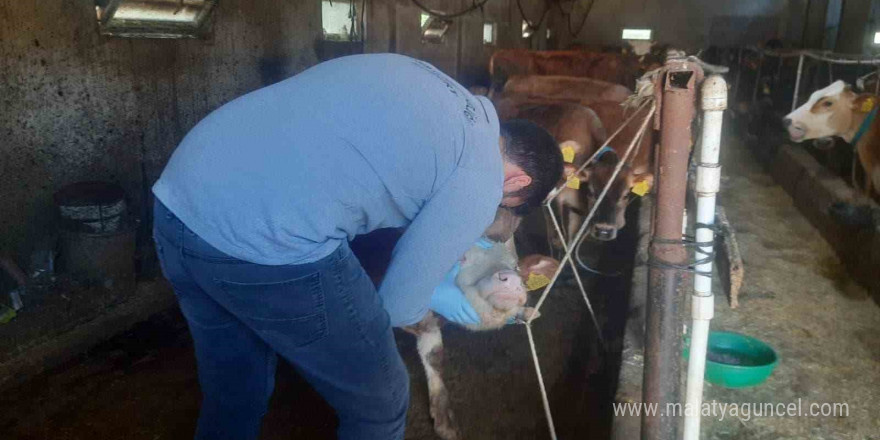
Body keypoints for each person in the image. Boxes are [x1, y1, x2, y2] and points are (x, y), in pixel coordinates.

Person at [152, 53, 562, 440]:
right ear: (516, 184)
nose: (493, 207)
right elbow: (399, 307)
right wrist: (457, 303)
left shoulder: (431, 80)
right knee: (382, 402)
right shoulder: (481, 180)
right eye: (503, 205)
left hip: (178, 199)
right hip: (264, 242)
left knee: (236, 382)